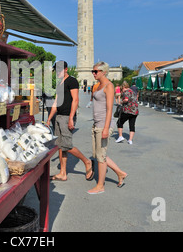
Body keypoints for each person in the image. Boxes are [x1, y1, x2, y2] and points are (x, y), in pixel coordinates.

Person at [46, 61, 94, 182]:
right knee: (60, 146)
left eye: (59, 70)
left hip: (67, 116)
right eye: (56, 70)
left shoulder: (72, 81)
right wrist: (48, 119)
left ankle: (87, 162)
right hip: (59, 116)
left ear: (66, 69)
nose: (57, 72)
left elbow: (76, 100)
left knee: (67, 145)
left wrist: (71, 118)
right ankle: (63, 173)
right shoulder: (59, 84)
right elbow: (56, 103)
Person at [88, 61, 127, 194]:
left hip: (103, 124)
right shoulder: (97, 86)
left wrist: (106, 128)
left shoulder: (109, 86)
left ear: (103, 72)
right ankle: (120, 173)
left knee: (101, 156)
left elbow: (110, 109)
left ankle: (100, 186)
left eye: (96, 71)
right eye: (92, 71)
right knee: (97, 154)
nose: (93, 73)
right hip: (96, 123)